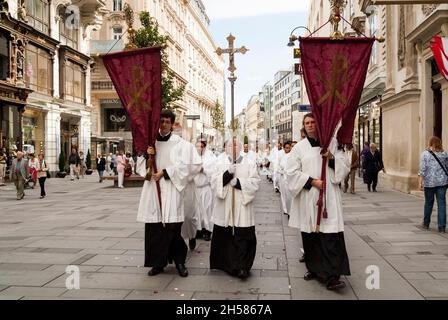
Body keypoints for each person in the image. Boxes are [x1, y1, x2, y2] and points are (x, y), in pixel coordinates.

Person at [285, 113, 351, 290]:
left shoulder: (332, 143)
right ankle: (314, 269)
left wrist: (331, 158)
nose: (310, 125)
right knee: (311, 236)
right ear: (303, 126)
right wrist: (311, 181)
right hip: (309, 196)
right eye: (307, 123)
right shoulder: (299, 148)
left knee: (330, 236)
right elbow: (290, 172)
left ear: (319, 123)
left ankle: (331, 275)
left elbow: (345, 167)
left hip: (328, 197)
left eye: (313, 122)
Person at [136, 109, 202, 277]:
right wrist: (147, 157)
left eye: (167, 121)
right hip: (153, 190)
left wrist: (166, 173)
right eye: (162, 121)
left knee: (172, 228)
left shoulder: (181, 144)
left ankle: (180, 262)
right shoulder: (151, 144)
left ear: (172, 124)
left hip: (171, 190)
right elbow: (140, 167)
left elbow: (191, 165)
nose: (164, 124)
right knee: (155, 229)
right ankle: (158, 263)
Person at [210, 138, 260, 279]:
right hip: (225, 204)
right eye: (230, 145)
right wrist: (226, 175)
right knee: (225, 236)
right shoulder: (218, 162)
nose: (233, 147)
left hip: (242, 206)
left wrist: (238, 182)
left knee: (243, 236)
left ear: (240, 148)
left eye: (236, 144)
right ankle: (226, 265)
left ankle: (243, 267)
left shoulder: (249, 162)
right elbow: (213, 181)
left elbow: (255, 182)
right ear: (225, 147)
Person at [418, 136, 448, 233]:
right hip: (443, 182)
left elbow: (422, 169)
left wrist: (420, 182)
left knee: (428, 203)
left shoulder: (425, 154)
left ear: (430, 143)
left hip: (429, 182)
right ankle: (442, 227)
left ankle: (426, 223)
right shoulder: (444, 154)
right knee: (442, 204)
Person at [193, 139, 216, 241]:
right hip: (195, 188)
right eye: (197, 146)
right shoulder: (192, 157)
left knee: (207, 210)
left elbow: (214, 171)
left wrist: (204, 170)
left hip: (205, 187)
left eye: (201, 146)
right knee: (197, 211)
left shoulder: (210, 157)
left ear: (204, 147)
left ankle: (208, 230)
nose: (199, 148)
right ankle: (199, 230)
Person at [278, 141, 292, 218]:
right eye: (286, 148)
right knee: (283, 194)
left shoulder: (291, 156)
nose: (288, 149)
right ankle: (285, 209)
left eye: (289, 148)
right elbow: (280, 166)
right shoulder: (283, 156)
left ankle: (289, 210)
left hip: (287, 177)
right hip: (282, 176)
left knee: (288, 195)